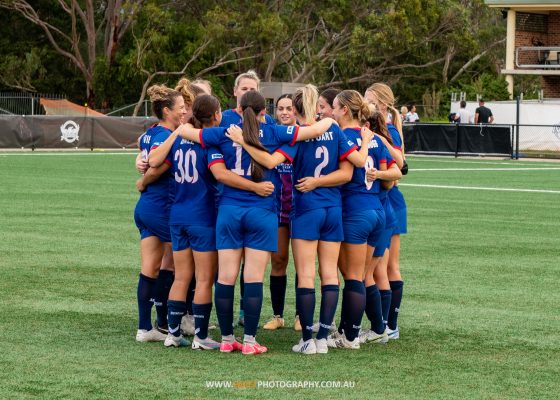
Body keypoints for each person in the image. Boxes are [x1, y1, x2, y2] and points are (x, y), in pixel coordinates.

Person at [172, 91, 339, 354]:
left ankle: (227, 339)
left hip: (229, 210)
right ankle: (249, 341)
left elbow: (185, 132)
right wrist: (329, 121)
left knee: (225, 278)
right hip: (262, 212)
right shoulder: (274, 133)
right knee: (253, 278)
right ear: (264, 112)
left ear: (238, 109)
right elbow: (311, 131)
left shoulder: (224, 131)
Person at [227, 86, 373, 355]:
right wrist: (363, 142)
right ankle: (323, 337)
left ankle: (307, 339)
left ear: (295, 110)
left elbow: (270, 162)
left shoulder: (297, 137)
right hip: (333, 209)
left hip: (306, 208)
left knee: (306, 274)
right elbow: (351, 169)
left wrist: (243, 141)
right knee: (330, 274)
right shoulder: (334, 129)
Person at [148, 95, 275, 349]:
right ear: (217, 114)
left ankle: (173, 334)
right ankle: (201, 336)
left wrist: (177, 133)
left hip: (178, 215)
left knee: (181, 276)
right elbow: (220, 173)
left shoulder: (181, 138)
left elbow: (152, 162)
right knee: (205, 279)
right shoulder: (215, 139)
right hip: (203, 216)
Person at [133, 84, 186, 343]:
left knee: (149, 268)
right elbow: (156, 167)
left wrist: (141, 174)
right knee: (178, 264)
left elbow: (142, 153)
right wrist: (144, 180)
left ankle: (145, 328)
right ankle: (168, 323)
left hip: (145, 207)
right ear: (167, 111)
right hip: (161, 206)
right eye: (180, 108)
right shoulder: (168, 136)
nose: (185, 111)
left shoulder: (149, 132)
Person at [364, 82, 407, 340]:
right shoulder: (379, 128)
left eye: (368, 100)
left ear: (380, 103)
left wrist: (380, 140)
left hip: (389, 200)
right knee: (382, 267)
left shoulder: (387, 129)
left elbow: (401, 165)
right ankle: (385, 325)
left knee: (387, 267)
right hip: (385, 199)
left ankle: (388, 324)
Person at [262, 94, 297, 331]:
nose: (284, 112)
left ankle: (300, 315)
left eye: (289, 108)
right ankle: (278, 315)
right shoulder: (273, 134)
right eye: (281, 108)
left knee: (304, 265)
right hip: (279, 209)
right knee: (279, 260)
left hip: (302, 209)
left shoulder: (304, 135)